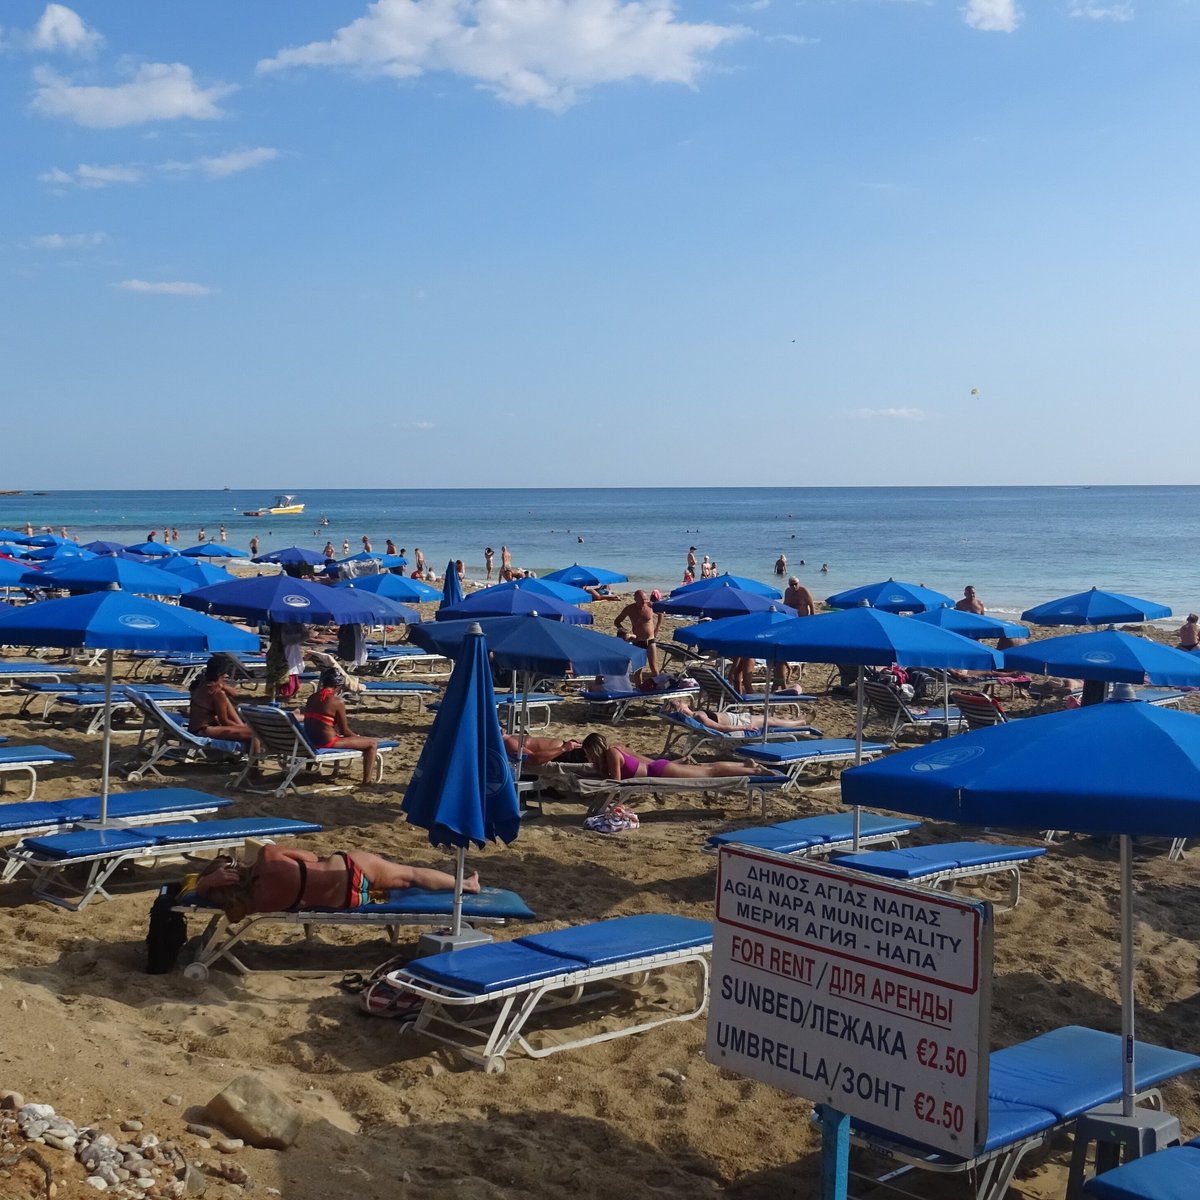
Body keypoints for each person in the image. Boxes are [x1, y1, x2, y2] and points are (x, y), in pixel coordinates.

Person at [193, 844, 476, 921]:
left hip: (346, 901)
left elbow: (203, 894)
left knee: (405, 878)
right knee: (410, 875)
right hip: (349, 870)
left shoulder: (248, 904)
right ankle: (465, 885)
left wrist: (206, 884)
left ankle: (464, 884)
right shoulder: (268, 857)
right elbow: (309, 855)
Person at [302, 668, 379, 784]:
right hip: (327, 742)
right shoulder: (337, 702)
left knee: (320, 727)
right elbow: (345, 731)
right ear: (338, 686)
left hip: (309, 741)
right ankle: (366, 782)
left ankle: (309, 771)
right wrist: (357, 737)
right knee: (372, 744)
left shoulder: (312, 697)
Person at [581, 732, 758, 780]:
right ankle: (745, 766)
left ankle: (753, 771)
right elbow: (639, 759)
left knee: (710, 772)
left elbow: (616, 783)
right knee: (706, 769)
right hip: (659, 767)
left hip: (659, 771)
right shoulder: (614, 751)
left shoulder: (612, 754)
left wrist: (595, 773)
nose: (588, 756)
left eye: (588, 753)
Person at [188, 655, 257, 748]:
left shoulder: (201, 683)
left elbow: (234, 693)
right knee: (255, 735)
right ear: (220, 673)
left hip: (194, 727)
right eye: (225, 672)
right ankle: (254, 761)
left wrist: (222, 685)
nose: (227, 675)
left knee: (227, 702)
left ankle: (248, 757)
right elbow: (224, 721)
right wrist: (243, 728)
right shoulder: (218, 693)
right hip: (203, 730)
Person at [668, 699, 814, 732]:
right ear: (681, 708)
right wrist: (745, 727)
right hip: (740, 721)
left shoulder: (695, 714)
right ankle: (800, 723)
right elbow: (719, 727)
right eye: (680, 702)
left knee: (771, 720)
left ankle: (794, 720)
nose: (684, 700)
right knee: (771, 720)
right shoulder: (698, 716)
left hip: (737, 717)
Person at [614, 589, 662, 673]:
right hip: (637, 641)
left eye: (645, 599)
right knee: (638, 670)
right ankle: (639, 686)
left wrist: (657, 628)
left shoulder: (650, 606)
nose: (644, 602)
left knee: (654, 667)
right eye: (642, 600)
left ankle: (658, 685)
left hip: (650, 640)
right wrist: (625, 631)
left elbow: (661, 614)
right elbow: (617, 622)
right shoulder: (629, 609)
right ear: (635, 599)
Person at [502, 733, 586, 766]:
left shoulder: (509, 737)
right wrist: (564, 748)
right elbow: (534, 759)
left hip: (568, 747)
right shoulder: (509, 743)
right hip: (563, 754)